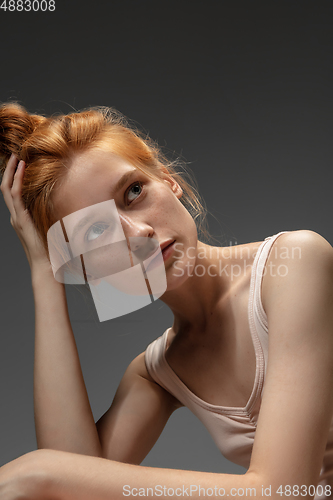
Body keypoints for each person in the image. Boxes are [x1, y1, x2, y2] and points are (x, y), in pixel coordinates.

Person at [0, 102, 333, 500]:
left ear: (168, 179)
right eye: (97, 232)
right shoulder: (159, 372)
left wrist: (39, 474)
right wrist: (44, 270)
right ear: (84, 269)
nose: (138, 232)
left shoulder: (294, 264)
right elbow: (76, 481)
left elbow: (282, 491)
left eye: (134, 191)